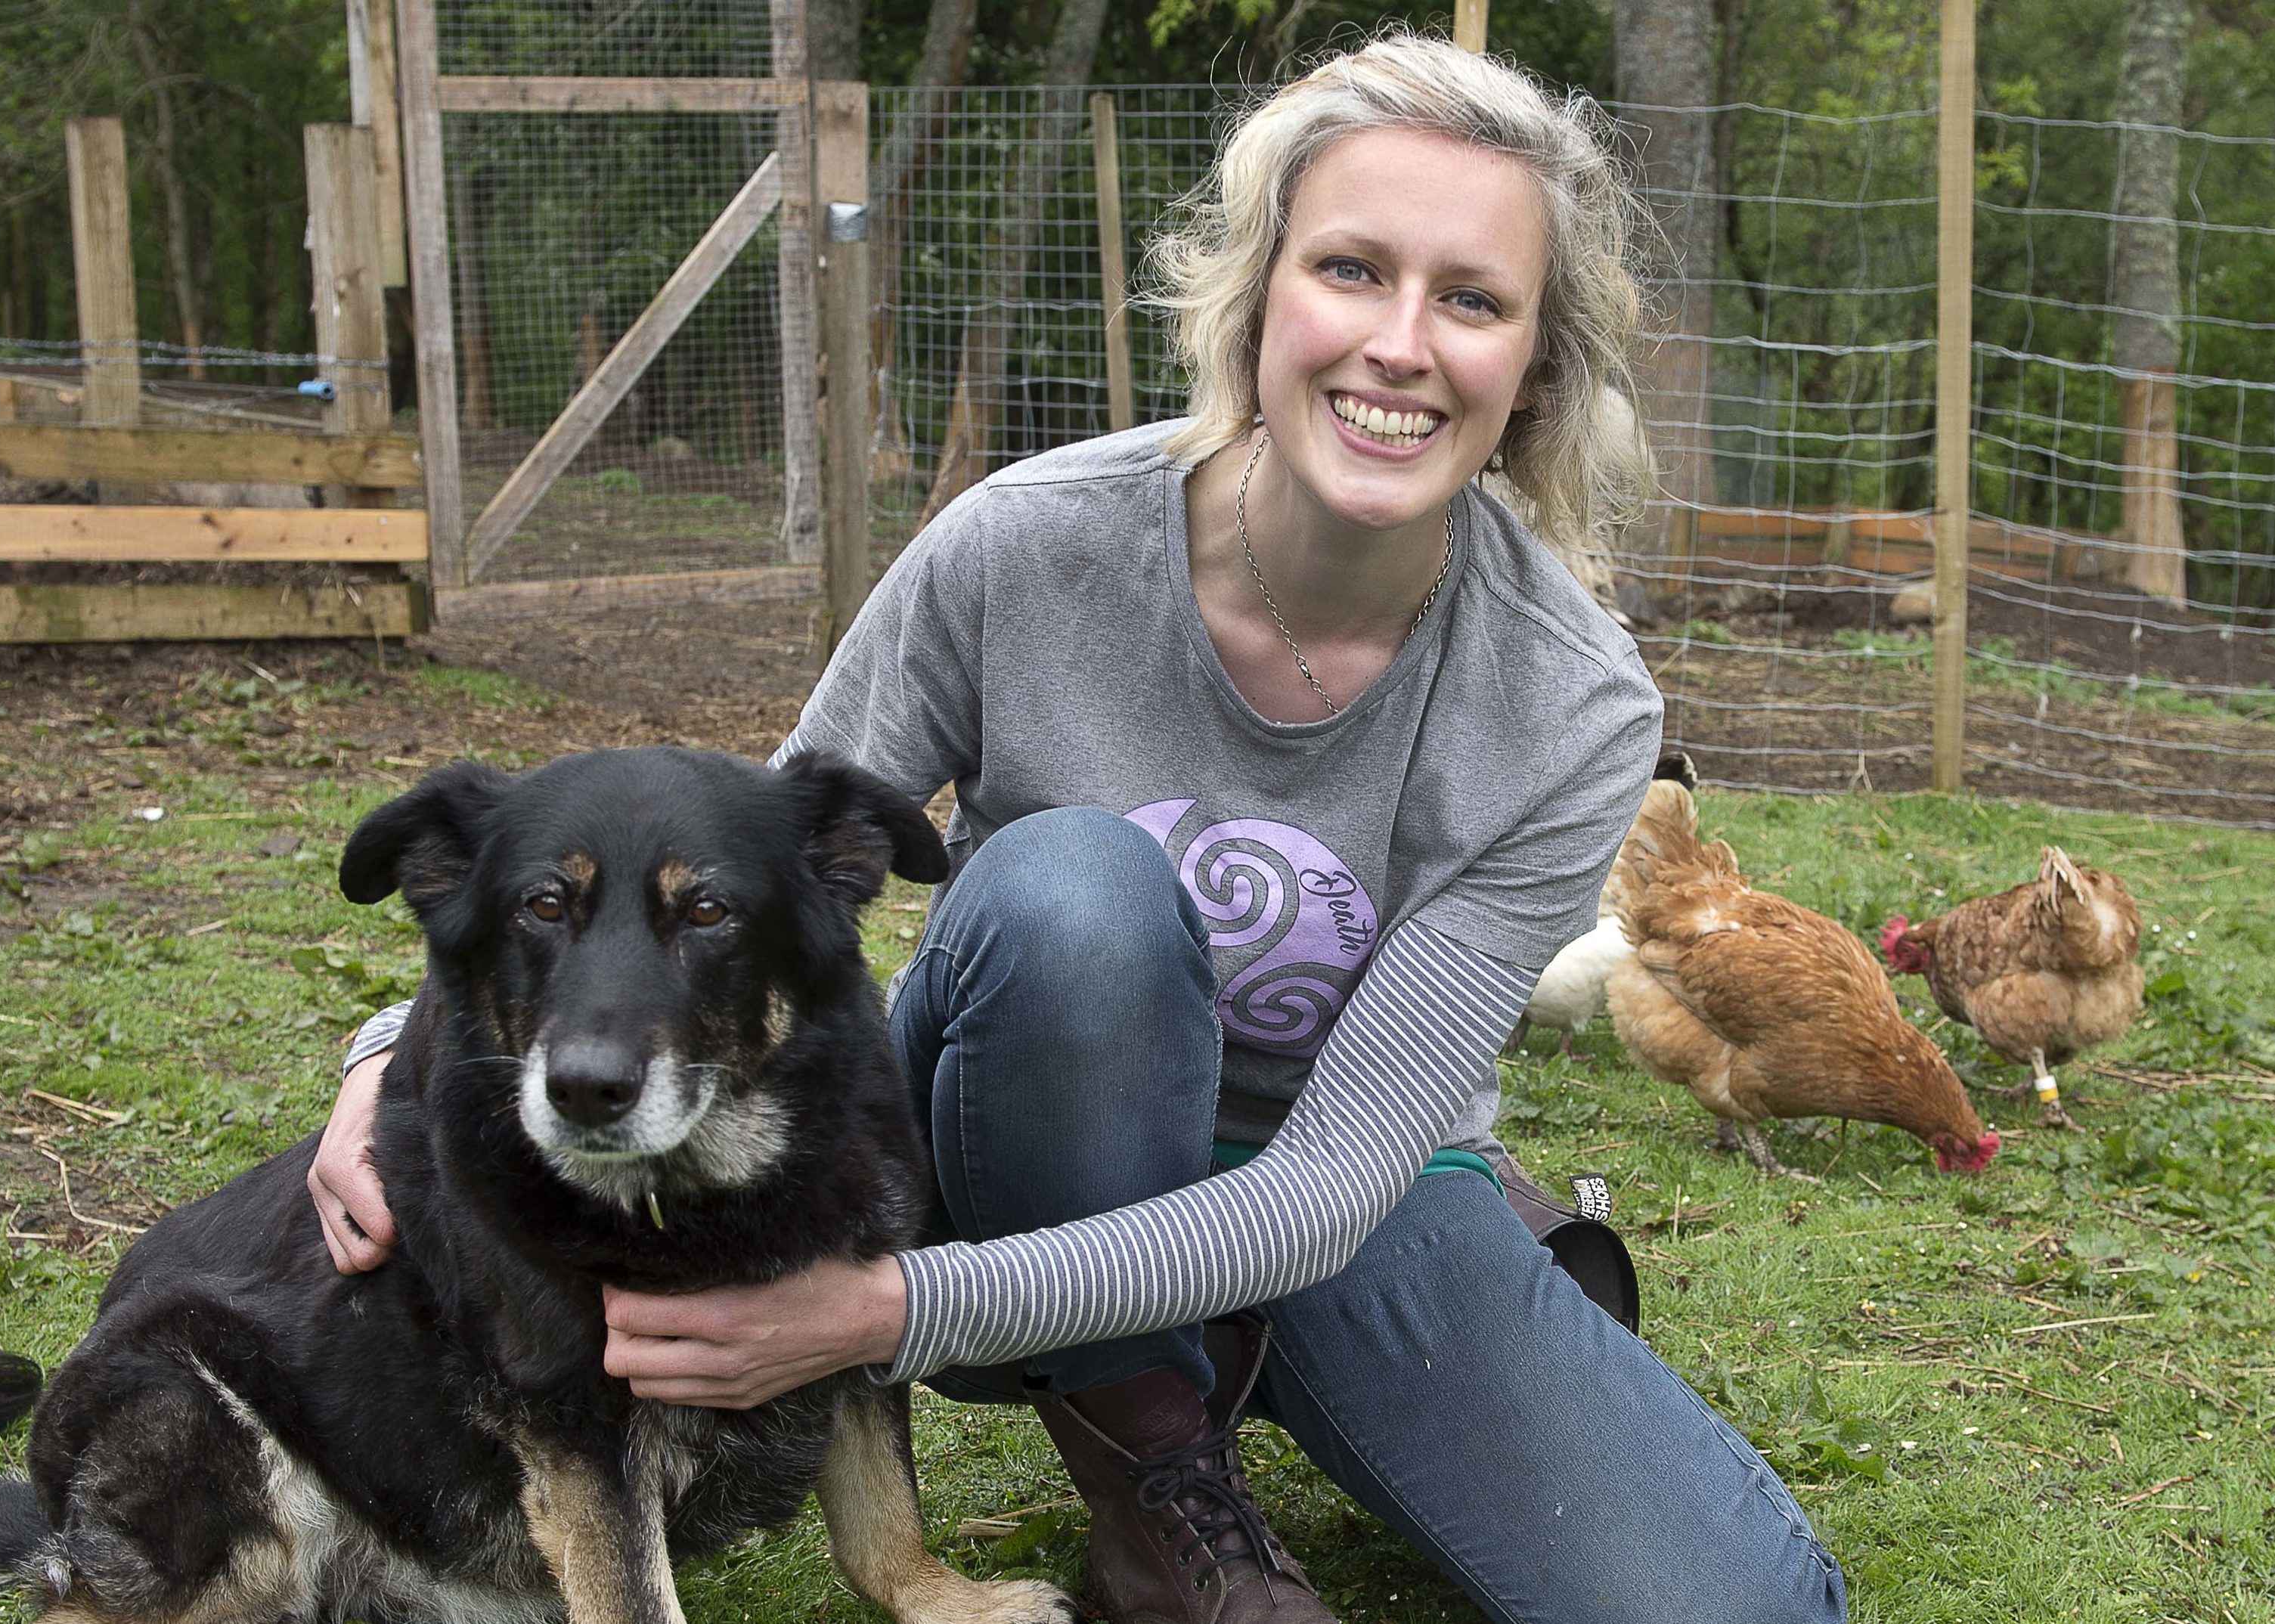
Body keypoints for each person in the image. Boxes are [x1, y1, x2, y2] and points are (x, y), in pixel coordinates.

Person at [309, 34, 1849, 1624]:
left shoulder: (1571, 701)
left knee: (1736, 1605)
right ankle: (1152, 1471)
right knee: (1077, 891)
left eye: (1471, 298)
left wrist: (878, 1312)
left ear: (1535, 363)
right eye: (1348, 268)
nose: (1399, 344)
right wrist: (385, 1054)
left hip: (1337, 1185)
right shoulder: (1021, 549)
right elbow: (717, 871)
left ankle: (1337, 1345)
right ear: (1253, 300)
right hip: (1001, 1133)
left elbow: (1323, 1188)